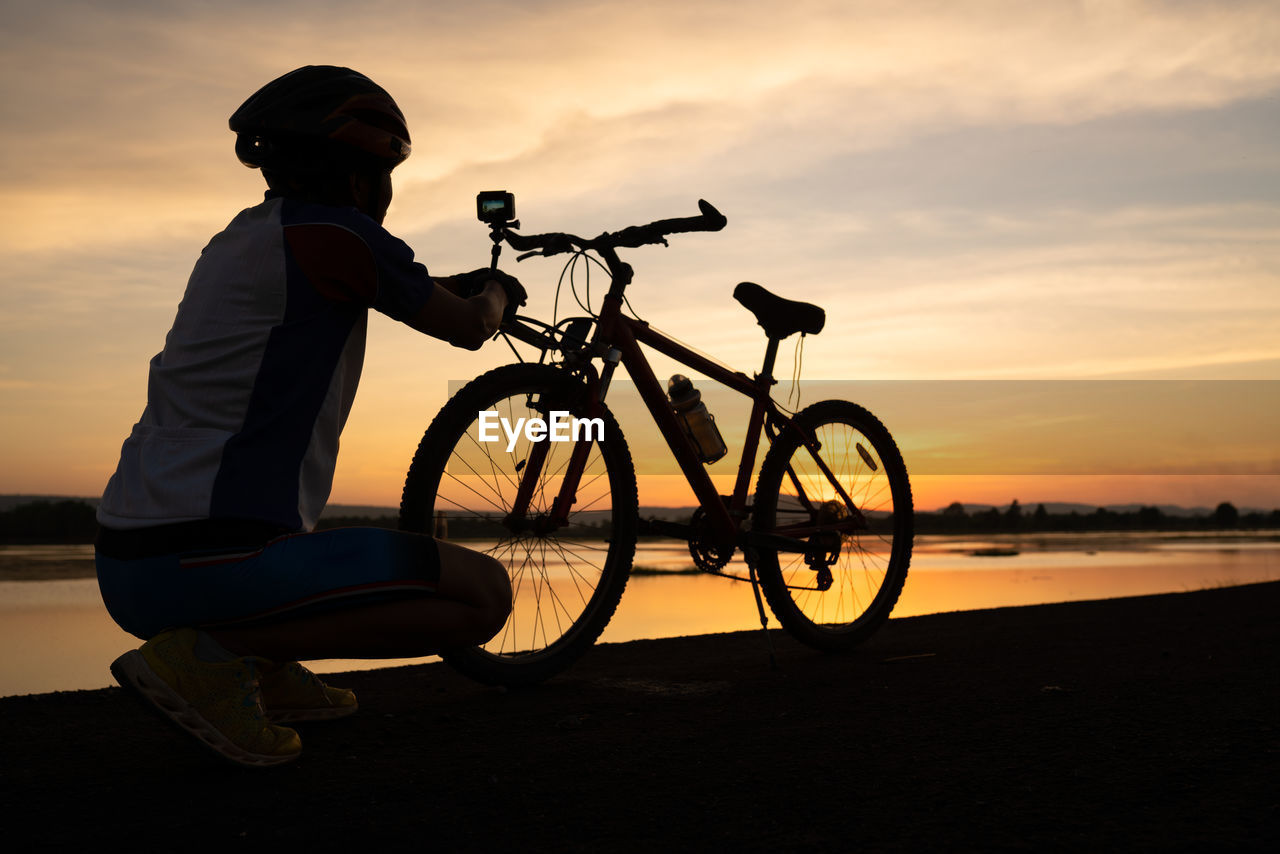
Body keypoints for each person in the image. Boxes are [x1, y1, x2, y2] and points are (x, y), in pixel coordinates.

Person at [96, 66, 521, 767]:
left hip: (131, 566)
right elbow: (472, 324)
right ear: (364, 175)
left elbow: (397, 284)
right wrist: (502, 287)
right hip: (218, 562)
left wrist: (452, 285)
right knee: (485, 598)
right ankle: (219, 654)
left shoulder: (245, 238)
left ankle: (260, 660)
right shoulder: (341, 235)